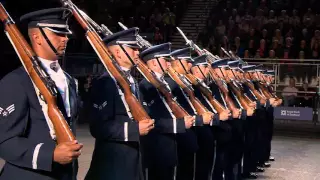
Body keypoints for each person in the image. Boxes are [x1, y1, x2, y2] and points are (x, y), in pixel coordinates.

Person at [0, 8, 83, 180]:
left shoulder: (69, 80)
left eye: (65, 34)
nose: (65, 38)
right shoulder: (16, 81)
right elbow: (5, 141)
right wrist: (49, 155)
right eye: (57, 34)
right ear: (37, 37)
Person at [85, 28, 154, 180]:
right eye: (133, 49)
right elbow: (99, 127)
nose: (138, 53)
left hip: (134, 159)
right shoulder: (104, 82)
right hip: (113, 163)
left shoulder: (132, 81)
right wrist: (134, 129)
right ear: (118, 53)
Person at [138, 43, 195, 180]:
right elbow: (151, 119)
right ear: (154, 63)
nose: (169, 64)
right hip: (156, 147)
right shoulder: (146, 85)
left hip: (169, 145)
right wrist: (178, 124)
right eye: (165, 60)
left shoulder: (167, 84)